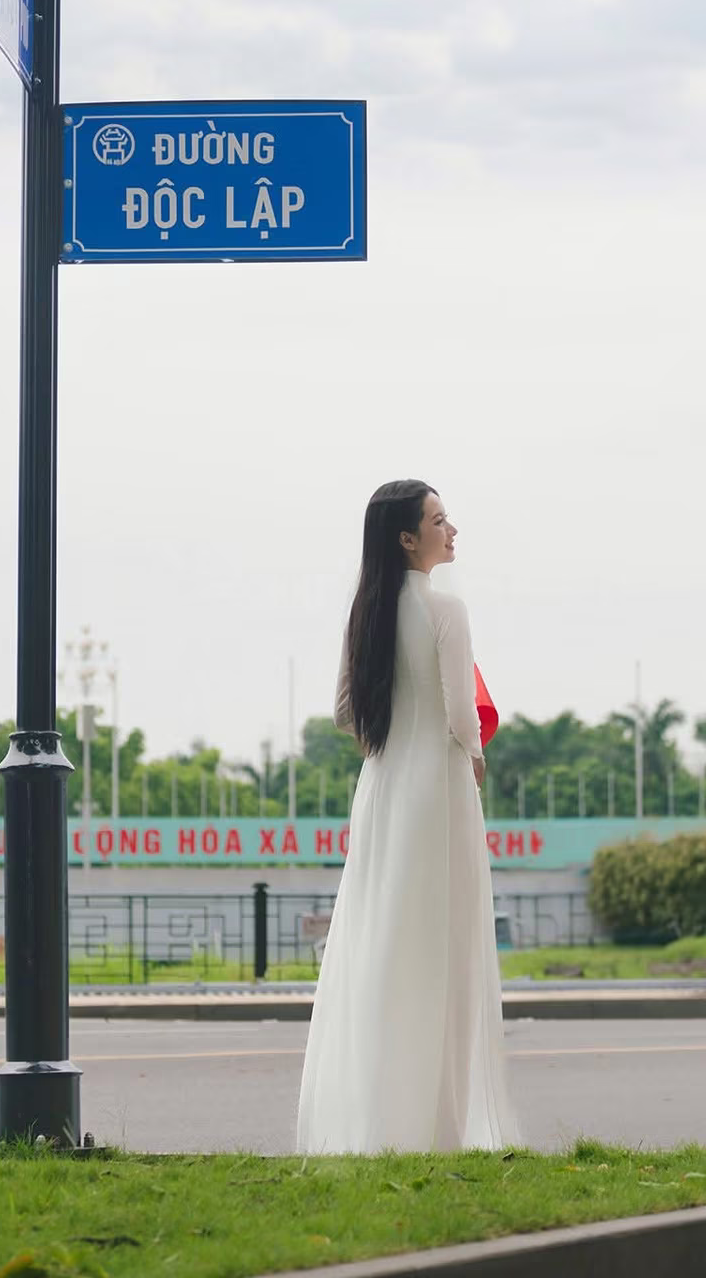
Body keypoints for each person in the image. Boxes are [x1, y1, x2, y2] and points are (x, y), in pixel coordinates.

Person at [296, 479, 519, 1154]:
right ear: (407, 537)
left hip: (384, 784)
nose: (452, 530)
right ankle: (440, 1127)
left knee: (385, 944)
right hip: (438, 790)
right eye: (439, 520)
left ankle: (376, 1121)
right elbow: (459, 713)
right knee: (446, 951)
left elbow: (345, 713)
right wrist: (473, 754)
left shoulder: (366, 612)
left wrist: (390, 737)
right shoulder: (445, 608)